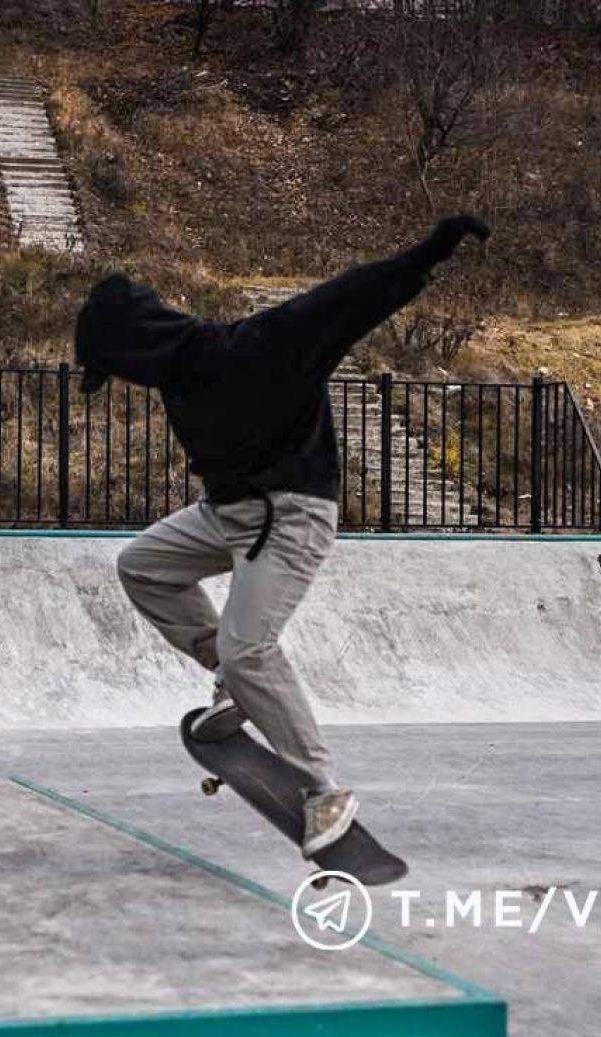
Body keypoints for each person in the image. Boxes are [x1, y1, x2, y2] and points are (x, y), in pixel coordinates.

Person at [80, 215, 492, 858]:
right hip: (227, 513)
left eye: (120, 369)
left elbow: (345, 300)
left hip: (295, 512)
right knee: (143, 565)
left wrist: (425, 255)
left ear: (136, 347)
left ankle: (323, 787)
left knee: (252, 649)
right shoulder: (178, 376)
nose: (128, 383)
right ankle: (232, 678)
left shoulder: (258, 345)